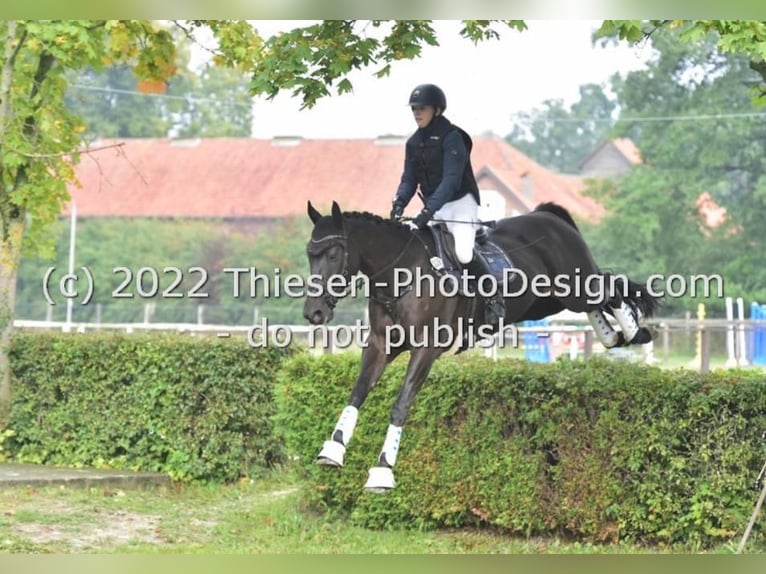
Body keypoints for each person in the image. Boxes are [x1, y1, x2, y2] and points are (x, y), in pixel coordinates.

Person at [389, 83, 505, 327]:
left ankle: (494, 298)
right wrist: (399, 202)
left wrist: (427, 211)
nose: (417, 113)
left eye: (422, 108)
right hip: (434, 206)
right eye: (414, 109)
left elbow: (451, 180)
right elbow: (409, 179)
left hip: (460, 202)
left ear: (437, 110)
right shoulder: (413, 143)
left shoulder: (453, 137)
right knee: (417, 248)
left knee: (462, 253)